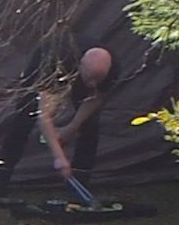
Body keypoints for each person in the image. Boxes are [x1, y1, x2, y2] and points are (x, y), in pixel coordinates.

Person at [36, 44, 118, 204]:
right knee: (22, 117)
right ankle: (1, 182)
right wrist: (59, 158)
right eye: (90, 78)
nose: (94, 84)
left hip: (81, 80)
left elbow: (96, 98)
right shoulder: (59, 63)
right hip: (55, 71)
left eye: (98, 79)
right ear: (81, 65)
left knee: (91, 124)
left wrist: (71, 128)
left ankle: (79, 186)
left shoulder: (113, 68)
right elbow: (44, 114)